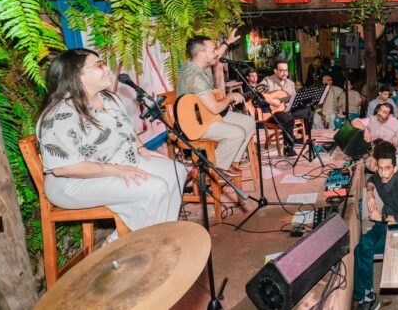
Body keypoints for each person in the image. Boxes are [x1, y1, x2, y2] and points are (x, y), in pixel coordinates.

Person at [35, 49, 186, 232]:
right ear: (76, 75)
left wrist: (140, 148)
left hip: (119, 162)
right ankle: (141, 243)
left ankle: (159, 235)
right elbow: (63, 168)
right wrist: (117, 170)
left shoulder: (109, 98)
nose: (107, 69)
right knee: (155, 188)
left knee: (176, 171)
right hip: (73, 182)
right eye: (99, 65)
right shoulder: (60, 115)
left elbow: (125, 126)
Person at [176, 35, 256, 171]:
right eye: (213, 50)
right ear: (202, 54)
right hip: (195, 124)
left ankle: (229, 162)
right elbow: (215, 108)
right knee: (237, 134)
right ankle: (213, 170)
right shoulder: (194, 76)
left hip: (206, 115)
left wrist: (227, 42)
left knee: (249, 122)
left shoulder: (199, 63)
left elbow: (216, 53)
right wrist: (230, 97)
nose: (216, 53)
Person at [353, 141, 398, 309]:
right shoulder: (381, 175)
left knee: (363, 248)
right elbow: (372, 179)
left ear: (395, 168)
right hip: (384, 226)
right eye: (380, 168)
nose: (383, 172)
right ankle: (367, 295)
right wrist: (370, 193)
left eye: (387, 168)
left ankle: (366, 297)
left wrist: (381, 217)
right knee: (362, 246)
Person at [261, 59, 311, 157]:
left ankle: (298, 137)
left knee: (307, 110)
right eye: (282, 70)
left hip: (287, 110)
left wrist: (292, 103)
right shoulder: (267, 81)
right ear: (275, 71)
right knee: (287, 118)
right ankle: (288, 147)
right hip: (273, 113)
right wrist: (271, 101)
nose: (285, 73)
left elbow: (292, 98)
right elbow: (257, 95)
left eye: (286, 70)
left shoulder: (291, 83)